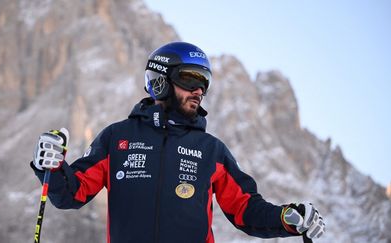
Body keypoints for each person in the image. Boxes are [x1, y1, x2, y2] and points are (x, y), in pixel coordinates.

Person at [31, 42, 325, 243]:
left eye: (204, 83)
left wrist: (287, 218)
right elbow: (70, 194)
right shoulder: (116, 138)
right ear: (160, 81)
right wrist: (52, 166)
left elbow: (245, 209)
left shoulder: (212, 151)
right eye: (190, 80)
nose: (199, 90)